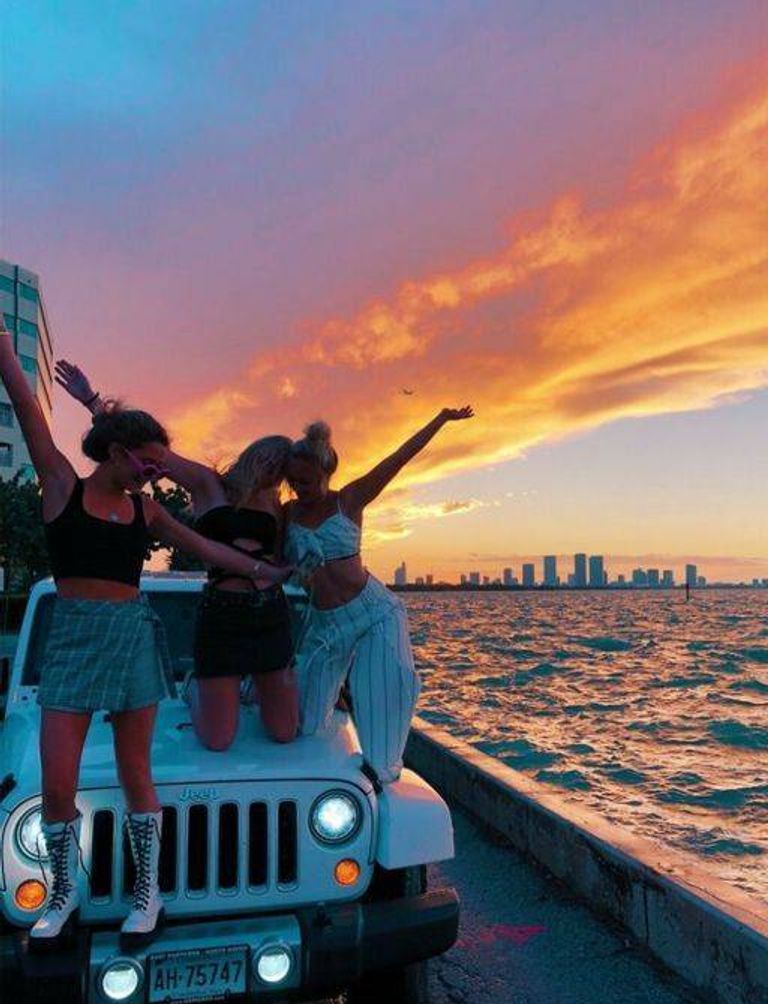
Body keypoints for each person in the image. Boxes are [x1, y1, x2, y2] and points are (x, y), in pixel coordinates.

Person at [0, 334, 290, 946]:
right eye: (148, 462)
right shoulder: (61, 485)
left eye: (161, 465)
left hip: (132, 636)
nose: (156, 473)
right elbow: (27, 410)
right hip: (74, 641)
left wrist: (264, 572)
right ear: (116, 452)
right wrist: (4, 344)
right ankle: (61, 890)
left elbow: (205, 548)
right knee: (57, 780)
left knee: (137, 770)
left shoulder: (146, 512)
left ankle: (148, 892)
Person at [55, 361, 297, 751]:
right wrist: (92, 401)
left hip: (271, 612)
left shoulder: (279, 506)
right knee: (218, 741)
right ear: (253, 455)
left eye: (282, 468)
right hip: (223, 612)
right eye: (269, 460)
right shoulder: (209, 485)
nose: (274, 471)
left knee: (284, 732)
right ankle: (196, 689)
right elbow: (147, 454)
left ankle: (251, 681)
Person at [284, 408, 474, 782]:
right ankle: (337, 714)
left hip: (374, 613)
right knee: (304, 725)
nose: (299, 489)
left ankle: (381, 791)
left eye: (306, 482)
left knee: (386, 723)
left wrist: (440, 419)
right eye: (293, 482)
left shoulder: (349, 500)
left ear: (325, 473)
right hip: (326, 626)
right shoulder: (286, 514)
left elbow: (400, 458)